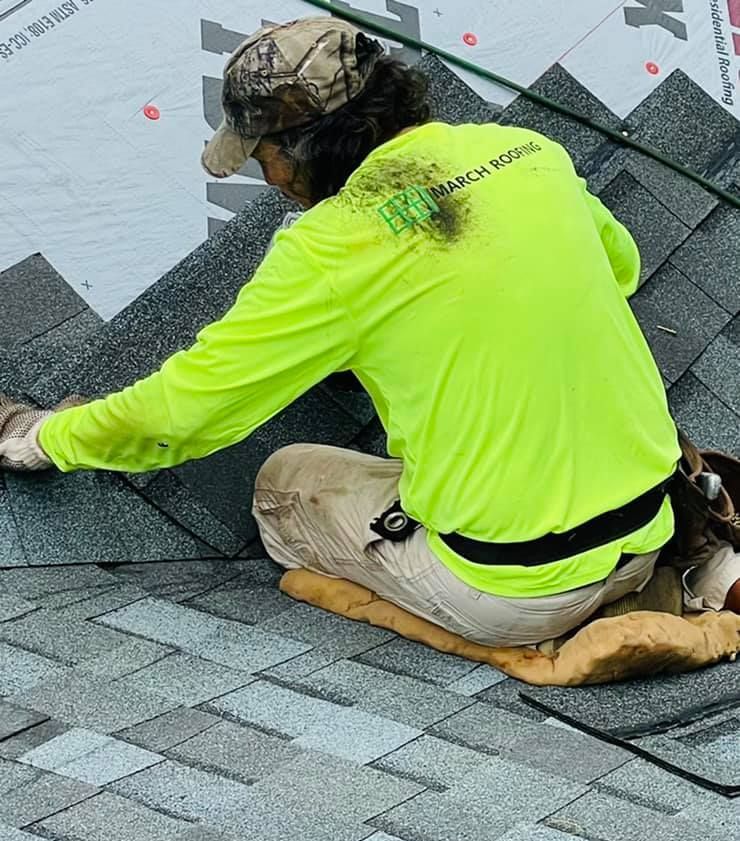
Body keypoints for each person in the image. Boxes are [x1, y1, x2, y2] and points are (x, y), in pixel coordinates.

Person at [1, 17, 738, 644]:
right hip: (658, 518)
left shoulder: (328, 249)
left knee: (281, 484)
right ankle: (670, 575)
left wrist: (46, 437)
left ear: (303, 146)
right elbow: (623, 266)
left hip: (519, 587)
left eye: (262, 157)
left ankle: (568, 621)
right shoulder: (527, 153)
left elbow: (183, 414)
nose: (266, 180)